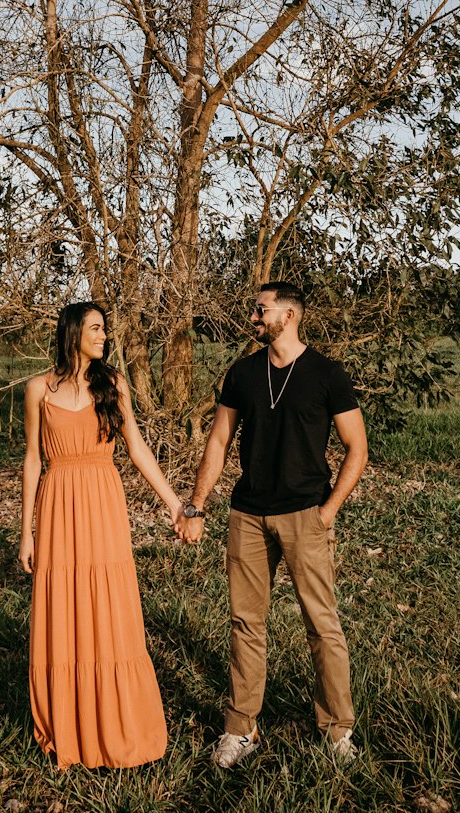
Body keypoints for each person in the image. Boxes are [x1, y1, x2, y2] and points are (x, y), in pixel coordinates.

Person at [176, 281, 368, 767]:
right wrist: (197, 505)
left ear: (289, 315)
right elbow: (218, 443)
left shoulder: (327, 374)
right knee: (246, 624)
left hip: (306, 515)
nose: (254, 317)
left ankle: (337, 731)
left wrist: (327, 513)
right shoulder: (242, 373)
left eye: (261, 310)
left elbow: (357, 449)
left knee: (322, 625)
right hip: (248, 515)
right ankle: (240, 729)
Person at [20, 301, 182, 769]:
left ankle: (119, 724)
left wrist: (175, 505)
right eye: (95, 328)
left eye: (105, 330)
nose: (104, 336)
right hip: (57, 503)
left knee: (107, 605)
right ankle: (69, 724)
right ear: (73, 333)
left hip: (102, 502)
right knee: (64, 605)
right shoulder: (37, 389)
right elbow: (32, 460)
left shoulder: (113, 385)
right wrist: (25, 532)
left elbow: (138, 450)